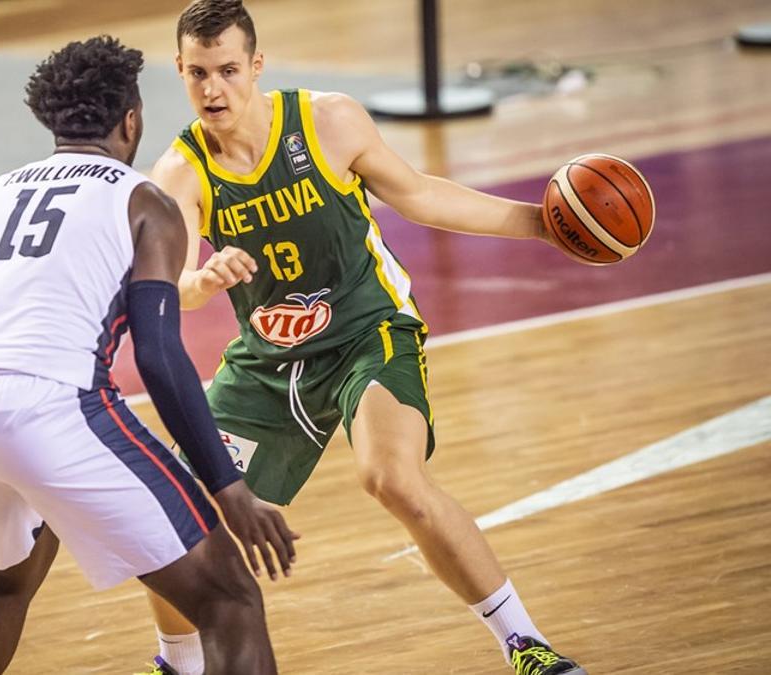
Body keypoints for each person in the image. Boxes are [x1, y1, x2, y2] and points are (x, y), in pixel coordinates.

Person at [137, 2, 586, 674]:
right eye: (197, 72)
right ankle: (177, 662)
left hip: (366, 331)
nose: (212, 89)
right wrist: (205, 279)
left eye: (228, 70)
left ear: (257, 66)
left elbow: (418, 194)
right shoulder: (178, 173)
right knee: (173, 512)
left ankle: (526, 644)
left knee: (391, 476)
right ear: (178, 70)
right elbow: (165, 295)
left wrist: (541, 223)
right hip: (269, 362)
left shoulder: (327, 119)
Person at [0, 36, 298, 675]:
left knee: (6, 577)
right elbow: (160, 357)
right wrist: (231, 492)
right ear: (131, 118)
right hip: (46, 407)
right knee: (228, 597)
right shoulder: (144, 202)